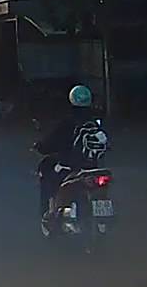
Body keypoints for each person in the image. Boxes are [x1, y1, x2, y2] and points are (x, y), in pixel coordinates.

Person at [33, 84, 108, 225]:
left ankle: (50, 213)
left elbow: (50, 143)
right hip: (94, 167)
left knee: (47, 168)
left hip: (71, 166)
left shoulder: (69, 122)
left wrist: (40, 147)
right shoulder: (96, 121)